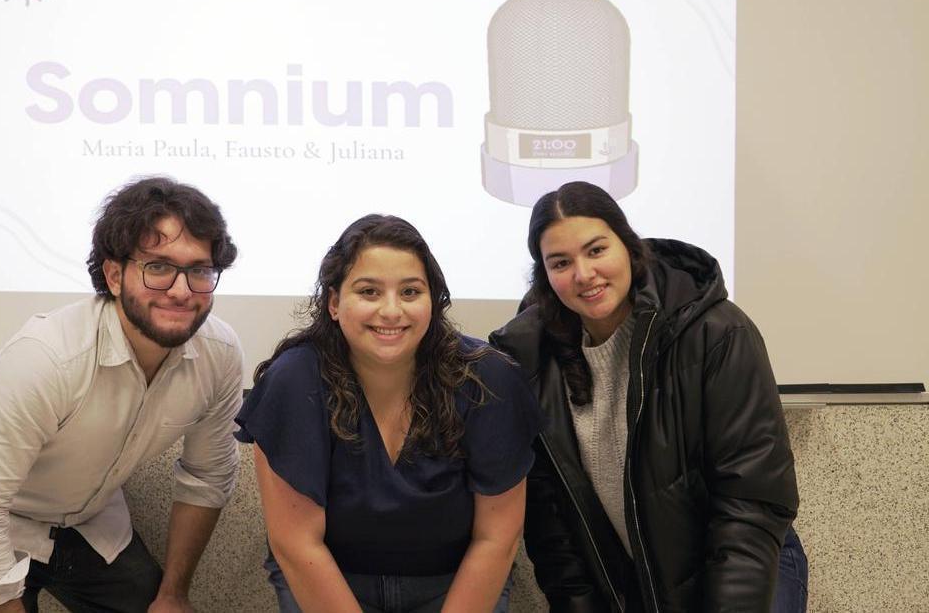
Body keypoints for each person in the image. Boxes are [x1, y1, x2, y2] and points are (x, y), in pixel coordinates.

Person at [0, 177, 246, 613]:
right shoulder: (49, 356)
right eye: (159, 267)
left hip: (87, 521)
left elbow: (208, 477)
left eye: (200, 270)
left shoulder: (218, 355)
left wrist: (174, 595)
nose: (182, 290)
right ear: (114, 275)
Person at [490, 181, 805, 612]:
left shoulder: (717, 333)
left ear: (629, 247)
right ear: (544, 276)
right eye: (560, 262)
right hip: (630, 574)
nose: (583, 274)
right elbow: (554, 532)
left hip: (742, 559)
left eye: (596, 250)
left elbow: (750, 499)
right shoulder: (531, 361)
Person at [235, 214, 543, 613]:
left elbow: (496, 538)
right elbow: (296, 544)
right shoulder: (293, 382)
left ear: (433, 300)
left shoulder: (488, 378)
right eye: (369, 292)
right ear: (333, 303)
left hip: (454, 581)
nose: (392, 311)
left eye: (411, 292)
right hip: (329, 578)